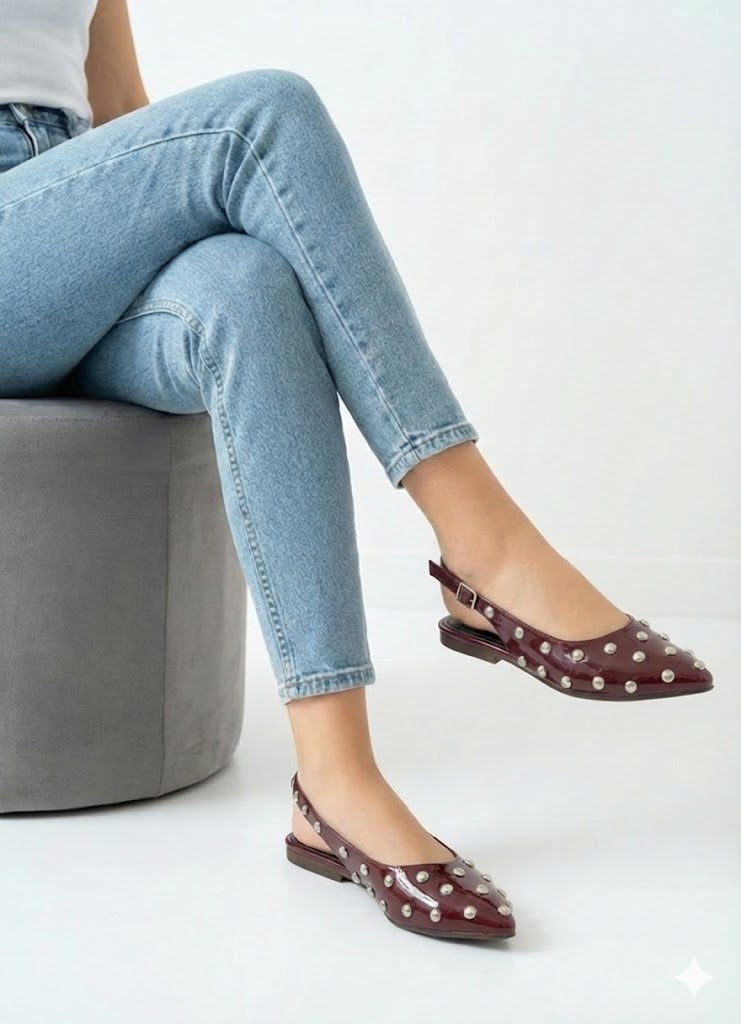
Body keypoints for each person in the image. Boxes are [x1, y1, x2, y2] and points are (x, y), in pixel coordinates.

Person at [0, 0, 713, 942]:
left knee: (248, 290)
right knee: (264, 113)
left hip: (58, 241)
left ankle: (336, 782)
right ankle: (484, 545)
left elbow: (124, 112)